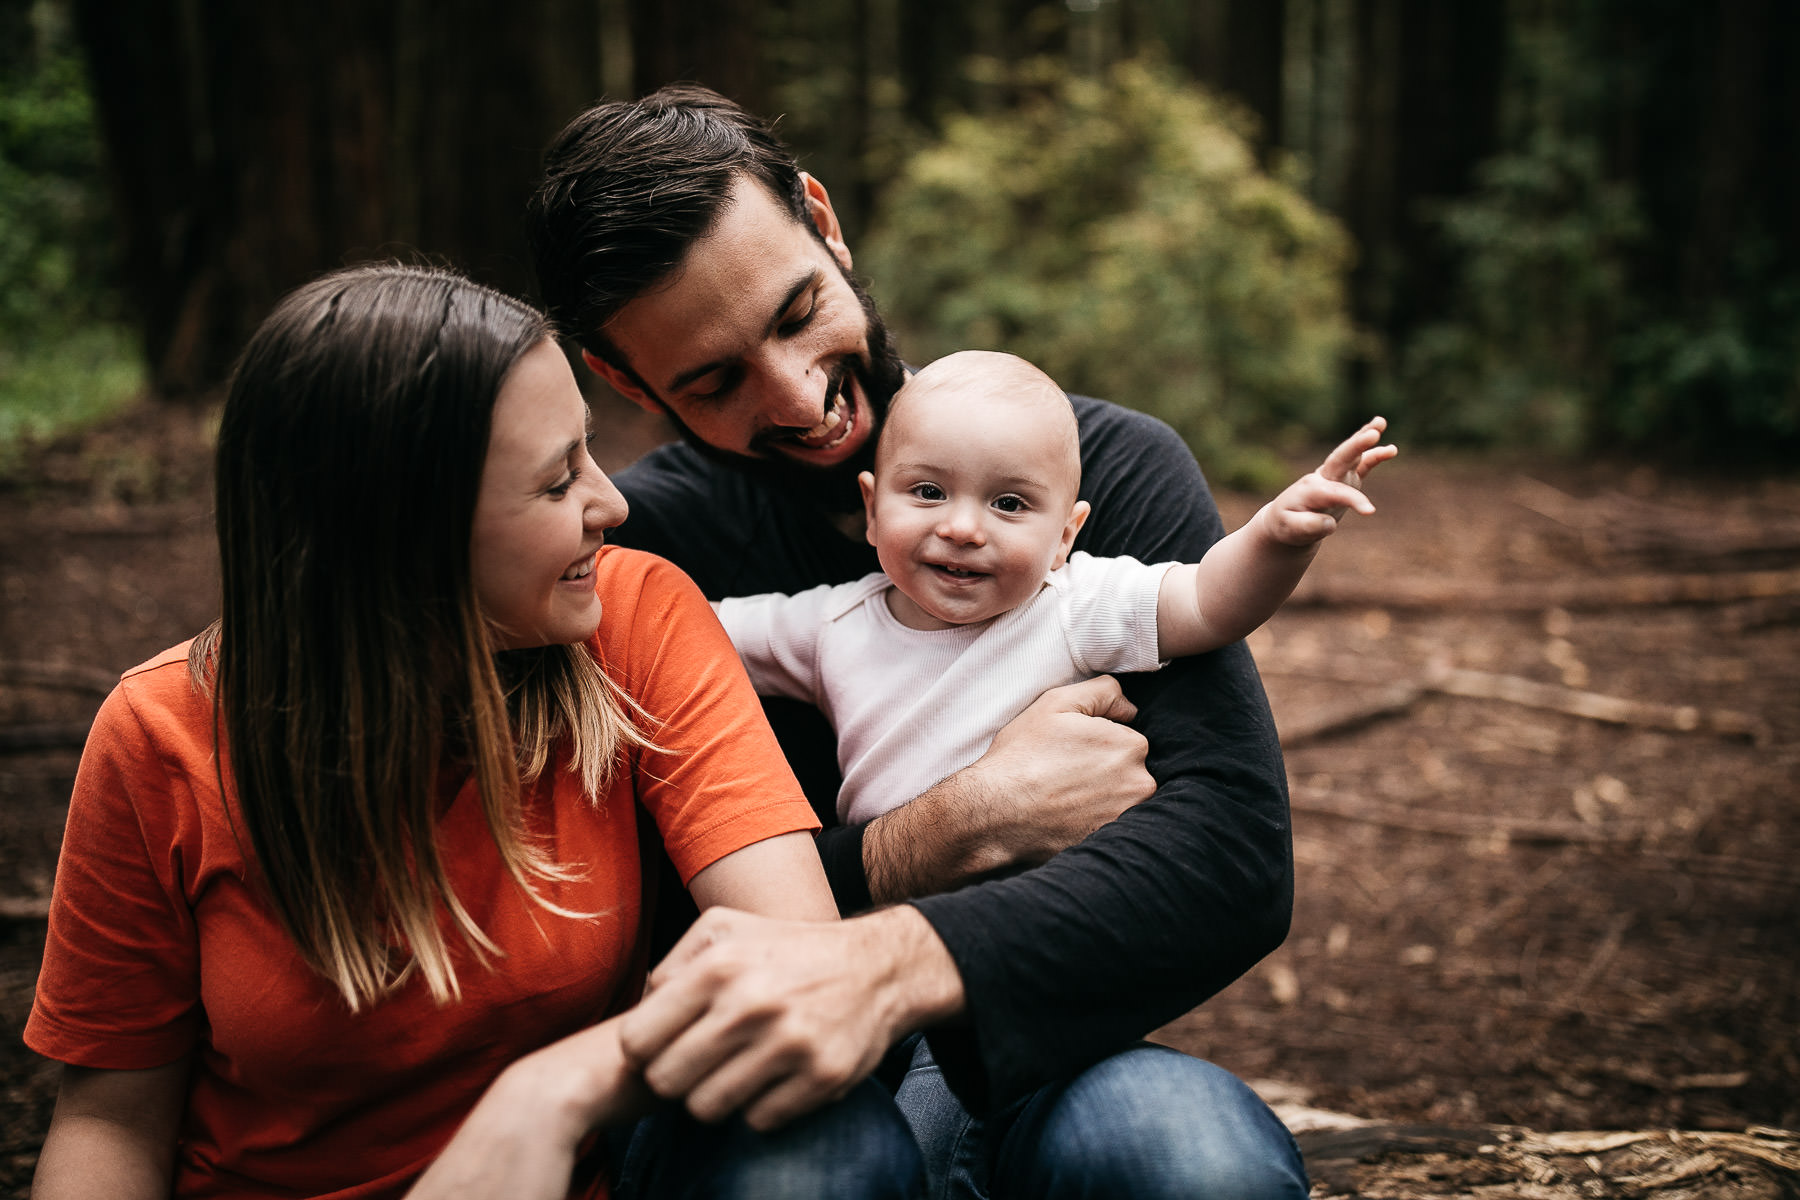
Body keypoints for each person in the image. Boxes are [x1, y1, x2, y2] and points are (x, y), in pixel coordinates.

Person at [528, 85, 1311, 1199]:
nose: (801, 400)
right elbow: (627, 928)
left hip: (1034, 1064)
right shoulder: (640, 562)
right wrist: (954, 828)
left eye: (799, 313)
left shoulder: (1102, 471)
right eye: (714, 380)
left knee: (1190, 1162)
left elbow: (1228, 856)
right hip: (759, 1103)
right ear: (624, 380)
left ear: (823, 221)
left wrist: (891, 960)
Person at [24, 264, 924, 1200]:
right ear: (403, 538)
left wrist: (553, 1091)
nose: (611, 505)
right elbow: (109, 1120)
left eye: (589, 454)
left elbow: (796, 955)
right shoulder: (156, 736)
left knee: (827, 1147)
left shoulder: (637, 615)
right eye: (555, 482)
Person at [716, 351, 1395, 828]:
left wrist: (1276, 539)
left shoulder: (1072, 606)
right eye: (927, 492)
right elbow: (694, 630)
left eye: (1009, 505)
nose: (960, 527)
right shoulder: (830, 624)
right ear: (871, 509)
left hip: (1029, 920)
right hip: (881, 916)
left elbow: (1207, 603)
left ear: (1065, 538)